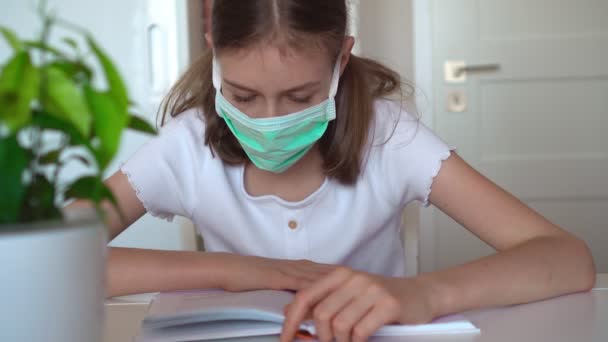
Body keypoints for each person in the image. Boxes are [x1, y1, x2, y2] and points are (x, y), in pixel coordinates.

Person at [79, 1, 595, 341]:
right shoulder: (185, 146)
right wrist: (241, 272)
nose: (269, 121)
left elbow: (566, 258)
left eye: (300, 97)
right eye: (243, 95)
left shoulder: (390, 137)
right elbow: (45, 259)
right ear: (214, 59)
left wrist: (423, 293)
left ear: (342, 60)